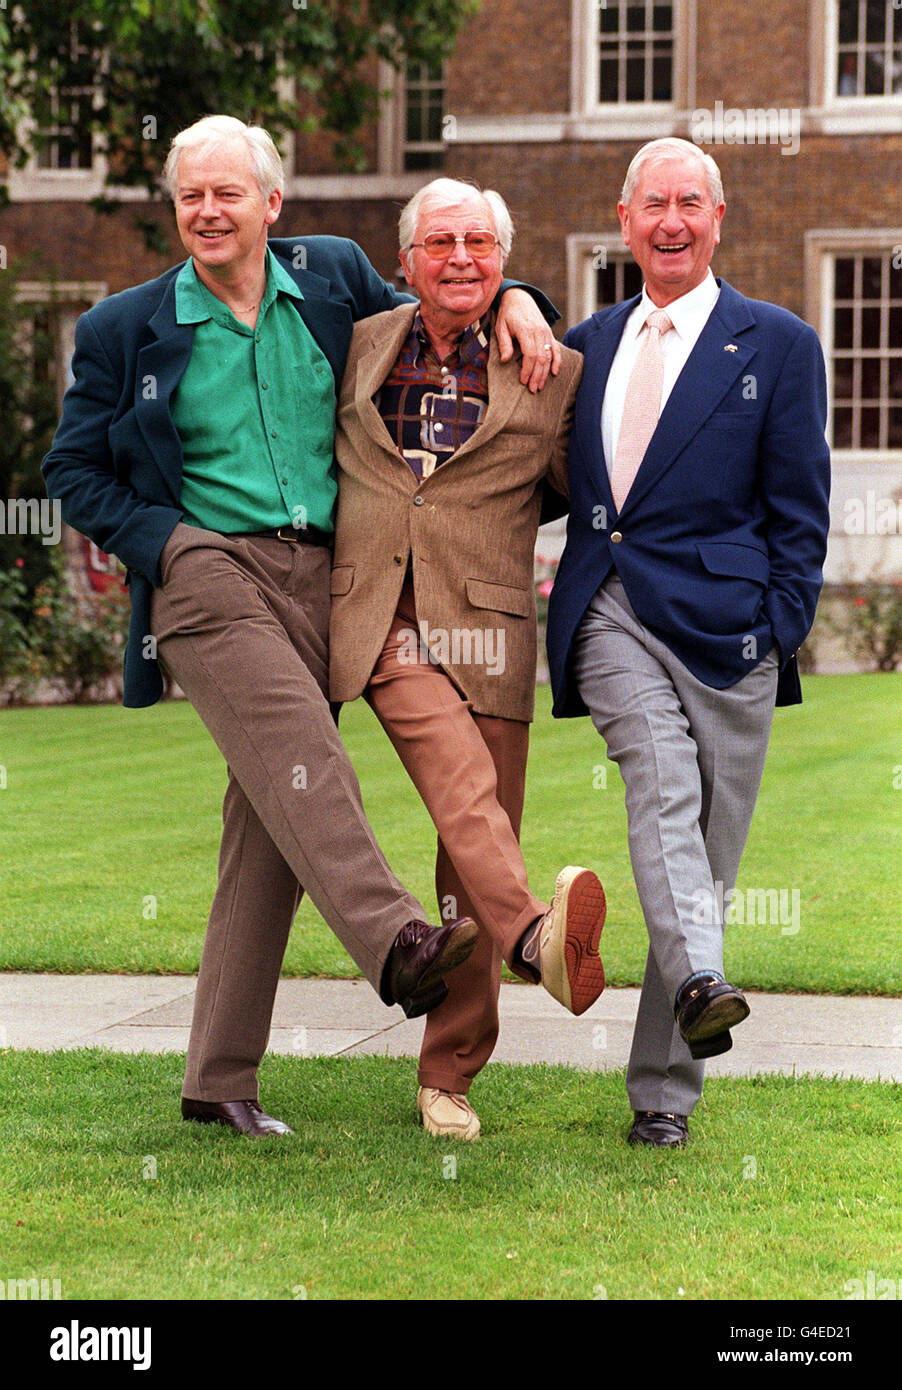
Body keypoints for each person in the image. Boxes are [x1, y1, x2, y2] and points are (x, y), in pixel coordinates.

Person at [41, 116, 562, 1138]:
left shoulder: (328, 281)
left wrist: (518, 299)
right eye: (190, 194)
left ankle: (215, 1076)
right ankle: (399, 941)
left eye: (226, 192)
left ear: (270, 204)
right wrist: (167, 543)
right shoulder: (123, 330)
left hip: (329, 575)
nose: (206, 210)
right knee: (307, 755)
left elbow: (439, 299)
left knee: (269, 823)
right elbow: (73, 470)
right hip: (206, 569)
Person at [546, 138, 830, 1147]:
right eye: (652, 203)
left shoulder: (779, 343)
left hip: (730, 631)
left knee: (701, 860)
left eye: (688, 204)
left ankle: (661, 1096)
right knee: (660, 782)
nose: (669, 221)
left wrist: (778, 625)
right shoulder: (581, 342)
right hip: (610, 609)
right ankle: (705, 978)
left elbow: (799, 506)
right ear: (623, 220)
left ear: (717, 220)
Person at [329, 178, 606, 1141]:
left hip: (491, 625)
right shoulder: (356, 342)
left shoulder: (552, 370)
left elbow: (591, 491)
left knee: (470, 848)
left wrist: (528, 306)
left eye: (481, 245)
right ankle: (535, 933)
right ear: (403, 261)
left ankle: (448, 1072)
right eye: (440, 242)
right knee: (459, 780)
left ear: (503, 258)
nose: (461, 259)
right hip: (381, 620)